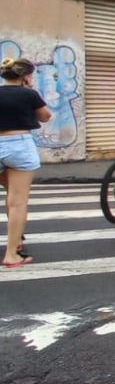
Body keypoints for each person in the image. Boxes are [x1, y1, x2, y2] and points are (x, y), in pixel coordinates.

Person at [0, 58, 52, 268]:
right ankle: (12, 254)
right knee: (17, 201)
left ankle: (17, 238)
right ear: (25, 76)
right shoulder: (29, 94)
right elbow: (45, 116)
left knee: (10, 195)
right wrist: (29, 89)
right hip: (19, 144)